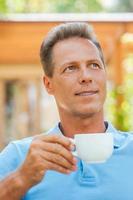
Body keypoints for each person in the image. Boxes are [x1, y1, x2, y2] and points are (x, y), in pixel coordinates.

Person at [0, 22, 133, 200]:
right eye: (71, 68)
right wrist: (21, 178)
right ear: (48, 84)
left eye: (94, 65)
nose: (86, 77)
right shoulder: (20, 156)